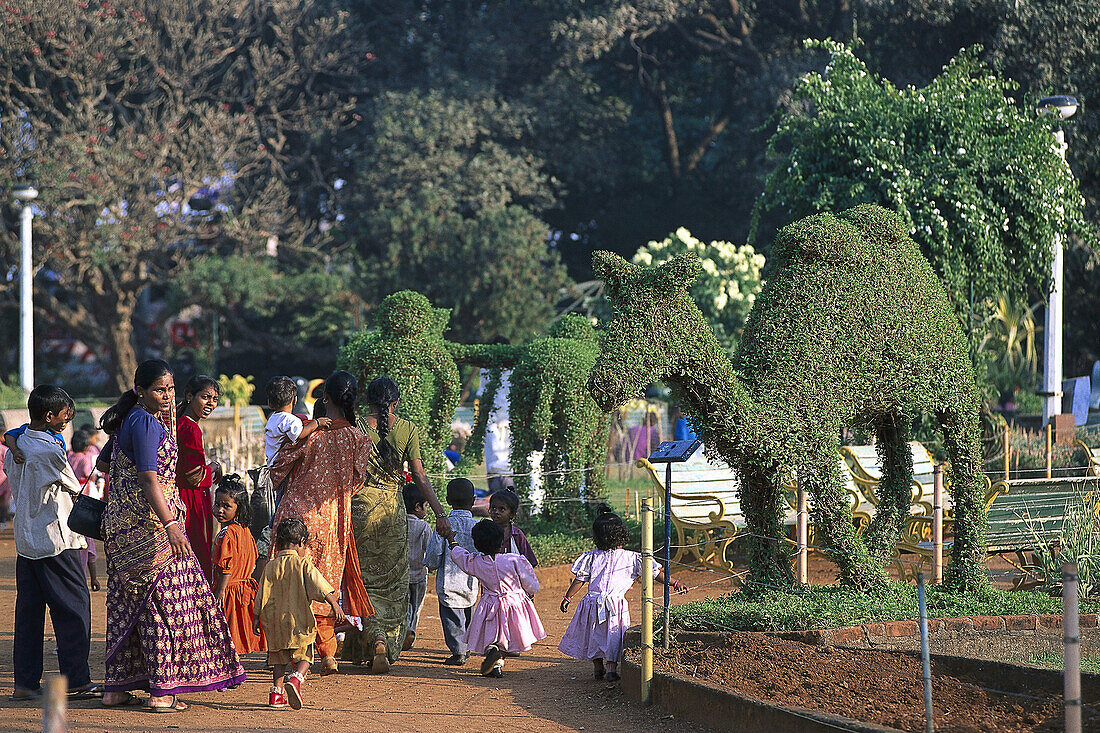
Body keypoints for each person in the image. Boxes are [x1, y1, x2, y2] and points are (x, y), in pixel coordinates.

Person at [100, 360, 244, 712]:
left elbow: (106, 465)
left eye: (170, 389)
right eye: (159, 390)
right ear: (141, 391)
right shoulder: (146, 422)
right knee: (169, 606)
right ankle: (162, 691)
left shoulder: (126, 419)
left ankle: (115, 688)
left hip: (120, 528)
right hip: (150, 530)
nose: (167, 397)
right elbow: (150, 479)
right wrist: (171, 524)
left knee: (127, 604)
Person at [269, 370, 373, 676]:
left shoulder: (309, 433)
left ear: (325, 398)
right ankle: (328, 652)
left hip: (296, 518)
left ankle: (292, 653)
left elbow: (277, 469)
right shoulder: (359, 439)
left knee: (291, 584)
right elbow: (356, 482)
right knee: (324, 585)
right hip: (333, 520)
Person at [345, 375, 451, 672]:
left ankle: (370, 637)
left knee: (363, 581)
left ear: (368, 400)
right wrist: (440, 512)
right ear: (395, 403)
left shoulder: (356, 427)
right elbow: (419, 476)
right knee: (392, 584)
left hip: (360, 511)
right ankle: (385, 640)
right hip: (392, 513)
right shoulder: (407, 429)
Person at [5, 385, 99, 700]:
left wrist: (12, 438)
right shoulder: (50, 451)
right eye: (64, 417)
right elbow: (75, 486)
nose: (67, 423)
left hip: (26, 542)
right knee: (74, 611)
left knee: (29, 615)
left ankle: (25, 683)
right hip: (58, 541)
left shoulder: (15, 447)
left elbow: (17, 434)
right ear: (49, 416)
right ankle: (75, 680)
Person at [559, 506, 685, 682]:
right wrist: (674, 582)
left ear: (597, 537)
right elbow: (655, 574)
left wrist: (568, 597)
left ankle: (598, 667)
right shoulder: (632, 558)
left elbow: (580, 579)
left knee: (593, 634)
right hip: (615, 606)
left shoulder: (592, 557)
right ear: (622, 534)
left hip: (592, 603)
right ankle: (611, 669)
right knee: (613, 635)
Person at [254, 518, 350, 710]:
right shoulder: (302, 564)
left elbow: (261, 594)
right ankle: (297, 679)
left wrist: (257, 618)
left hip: (275, 622)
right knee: (305, 655)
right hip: (298, 620)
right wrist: (335, 605)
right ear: (301, 543)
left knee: (278, 659)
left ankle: (276, 694)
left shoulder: (271, 566)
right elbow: (320, 585)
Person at [441, 519, 545, 678]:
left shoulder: (476, 562)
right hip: (514, 602)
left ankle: (494, 655)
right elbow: (530, 582)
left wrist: (451, 539)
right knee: (509, 634)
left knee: (493, 634)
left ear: (477, 544)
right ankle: (498, 658)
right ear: (501, 540)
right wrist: (530, 593)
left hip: (490, 604)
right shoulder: (514, 560)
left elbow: (460, 556)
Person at [425, 478, 480, 666]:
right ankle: (468, 647)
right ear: (473, 500)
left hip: (448, 582)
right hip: (470, 582)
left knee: (452, 621)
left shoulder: (443, 525)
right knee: (468, 616)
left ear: (447, 500)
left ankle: (458, 651)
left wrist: (430, 564)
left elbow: (434, 553)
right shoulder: (476, 526)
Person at [176, 375, 223, 582]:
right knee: (197, 555)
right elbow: (195, 476)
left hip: (180, 496)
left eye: (215, 399)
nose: (211, 403)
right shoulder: (190, 428)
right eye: (205, 397)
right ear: (189, 396)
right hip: (191, 499)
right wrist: (214, 467)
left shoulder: (179, 423)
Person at [212, 474, 265, 655]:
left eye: (226, 506)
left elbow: (226, 565)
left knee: (226, 633)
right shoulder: (246, 531)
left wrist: (220, 589)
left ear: (238, 508)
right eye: (217, 504)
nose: (220, 510)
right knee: (237, 632)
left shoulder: (226, 534)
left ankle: (229, 672)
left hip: (229, 590)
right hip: (243, 590)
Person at [264, 376, 330, 466]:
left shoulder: (272, 418)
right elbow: (300, 434)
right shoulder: (289, 420)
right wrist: (316, 423)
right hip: (281, 465)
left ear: (269, 403)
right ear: (295, 400)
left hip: (271, 463)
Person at [68, 428, 101, 592]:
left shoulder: (69, 456)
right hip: (84, 497)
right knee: (88, 541)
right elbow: (89, 474)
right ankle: (92, 577)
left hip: (70, 497)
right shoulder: (85, 459)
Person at [403, 483, 432, 651]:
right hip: (419, 575)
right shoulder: (424, 527)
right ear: (417, 507)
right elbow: (429, 550)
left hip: (401, 575)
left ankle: (403, 632)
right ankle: (411, 632)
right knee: (416, 608)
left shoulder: (398, 523)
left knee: (404, 606)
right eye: (426, 506)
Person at [489, 489, 537, 568]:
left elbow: (529, 562)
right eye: (493, 508)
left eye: (502, 509)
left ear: (511, 514)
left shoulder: (517, 535)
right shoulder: (486, 532)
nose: (496, 512)